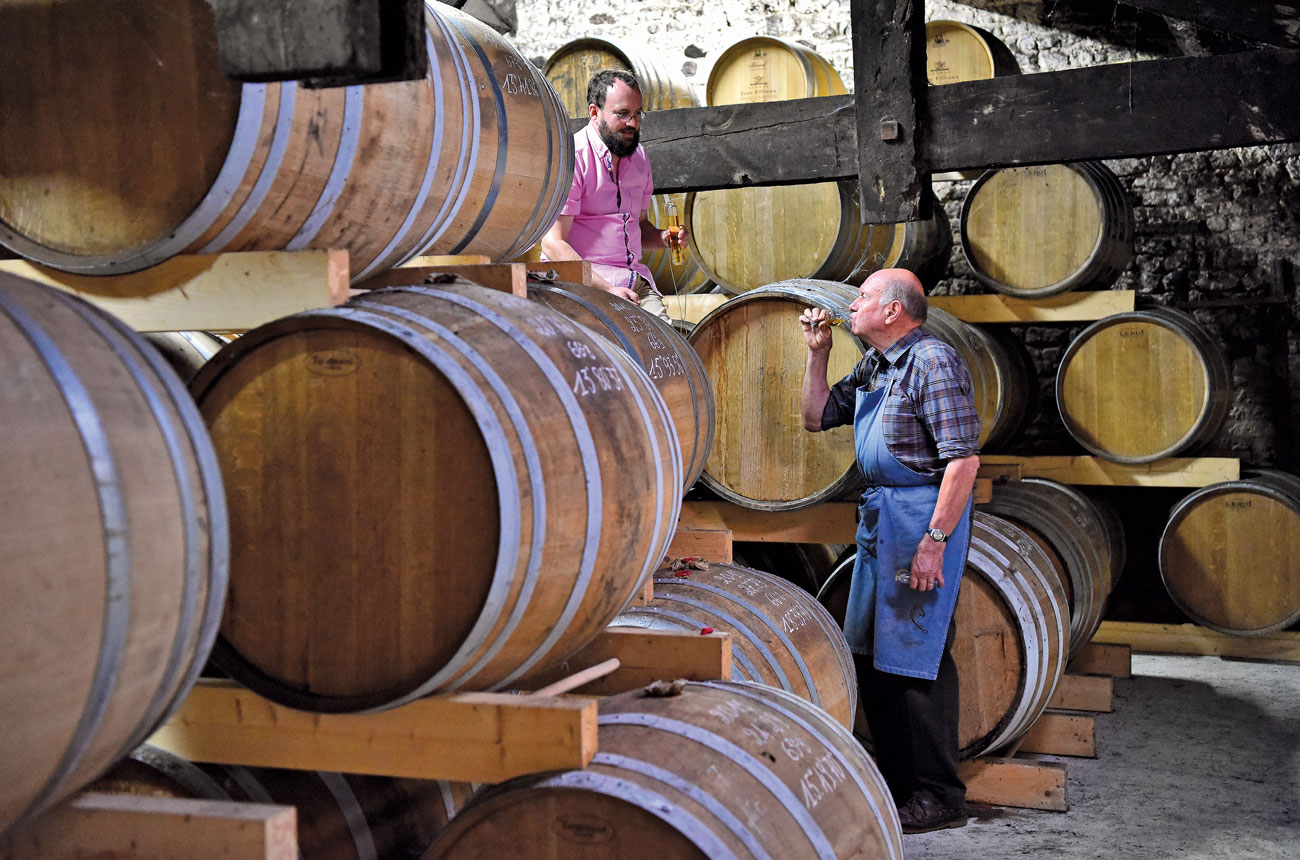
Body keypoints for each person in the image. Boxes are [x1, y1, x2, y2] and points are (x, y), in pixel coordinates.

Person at [799, 268, 981, 834]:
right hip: (882, 518)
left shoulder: (931, 361)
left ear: (895, 310)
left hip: (919, 518)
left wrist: (935, 541)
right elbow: (815, 416)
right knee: (872, 657)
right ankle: (900, 788)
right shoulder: (877, 364)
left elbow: (963, 460)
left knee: (914, 661)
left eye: (864, 297)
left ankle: (940, 796)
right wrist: (817, 353)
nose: (852, 305)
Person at [540, 69, 686, 323]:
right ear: (595, 113)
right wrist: (606, 289)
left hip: (635, 285)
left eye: (637, 113)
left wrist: (664, 237)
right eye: (622, 114)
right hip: (584, 285)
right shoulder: (573, 158)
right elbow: (553, 244)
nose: (632, 123)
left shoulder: (639, 158)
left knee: (670, 352)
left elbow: (638, 226)